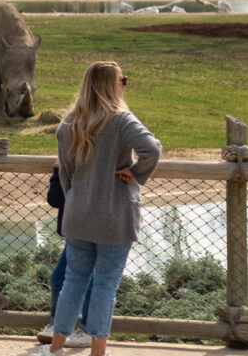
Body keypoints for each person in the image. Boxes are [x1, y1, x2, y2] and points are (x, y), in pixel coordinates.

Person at [34, 61, 160, 356]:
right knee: (105, 285)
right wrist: (136, 173)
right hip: (115, 217)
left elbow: (65, 176)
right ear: (111, 85)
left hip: (78, 216)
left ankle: (55, 350)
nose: (124, 84)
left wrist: (77, 202)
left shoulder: (68, 124)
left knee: (73, 282)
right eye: (122, 80)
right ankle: (98, 352)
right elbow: (152, 149)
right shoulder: (121, 120)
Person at [35, 164, 92, 348]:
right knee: (59, 278)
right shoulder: (68, 164)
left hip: (93, 229)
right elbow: (55, 199)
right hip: (75, 231)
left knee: (92, 282)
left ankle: (87, 330)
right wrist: (58, 171)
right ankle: (57, 326)